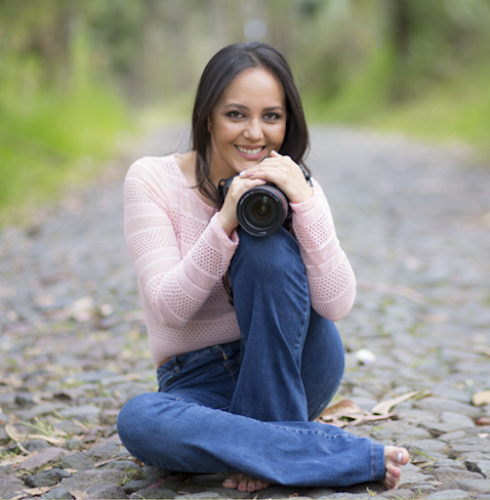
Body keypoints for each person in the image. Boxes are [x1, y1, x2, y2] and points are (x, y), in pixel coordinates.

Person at [117, 41, 409, 492]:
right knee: (140, 421)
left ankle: (256, 448)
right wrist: (225, 220)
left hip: (299, 359)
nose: (255, 133)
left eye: (270, 116)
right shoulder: (152, 180)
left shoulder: (297, 183)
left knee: (268, 248)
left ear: (287, 121)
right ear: (207, 118)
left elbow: (337, 303)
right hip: (197, 380)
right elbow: (169, 308)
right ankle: (329, 453)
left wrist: (305, 204)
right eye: (236, 114)